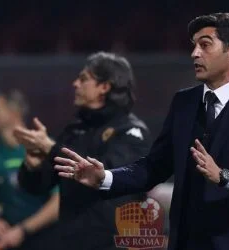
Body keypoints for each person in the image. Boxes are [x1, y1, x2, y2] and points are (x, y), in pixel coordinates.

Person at [55, 13, 229, 250]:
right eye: (194, 46)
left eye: (205, 45)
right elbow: (155, 166)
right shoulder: (184, 103)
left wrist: (224, 176)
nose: (195, 53)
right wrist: (106, 177)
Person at [15, 52, 151, 250]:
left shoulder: (132, 132)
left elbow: (103, 178)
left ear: (104, 87)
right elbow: (38, 187)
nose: (75, 84)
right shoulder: (75, 130)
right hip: (73, 242)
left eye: (84, 79)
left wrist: (50, 148)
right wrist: (33, 167)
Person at [0, 90, 59, 250]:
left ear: (13, 112)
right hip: (9, 243)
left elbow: (59, 202)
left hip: (46, 241)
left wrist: (23, 230)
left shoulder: (43, 147)